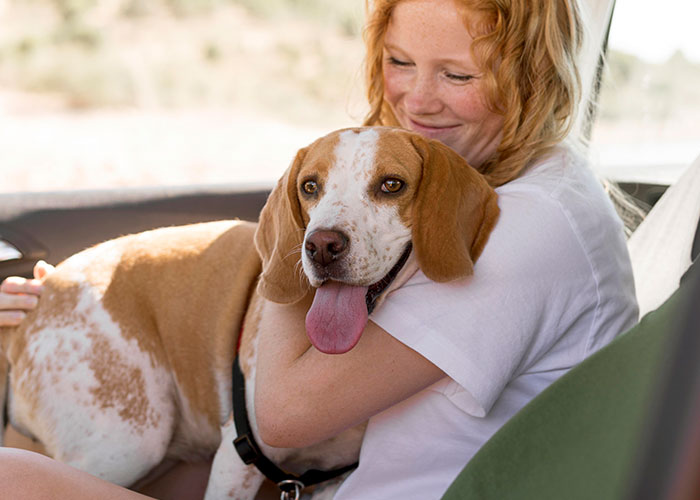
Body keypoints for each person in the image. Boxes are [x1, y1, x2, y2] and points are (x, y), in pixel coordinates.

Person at [0, 0, 638, 498]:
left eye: (458, 74)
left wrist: (289, 258)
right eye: (399, 61)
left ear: (532, 74)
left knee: (12, 478)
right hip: (338, 477)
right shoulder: (521, 183)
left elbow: (274, 422)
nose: (415, 100)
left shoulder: (521, 225)